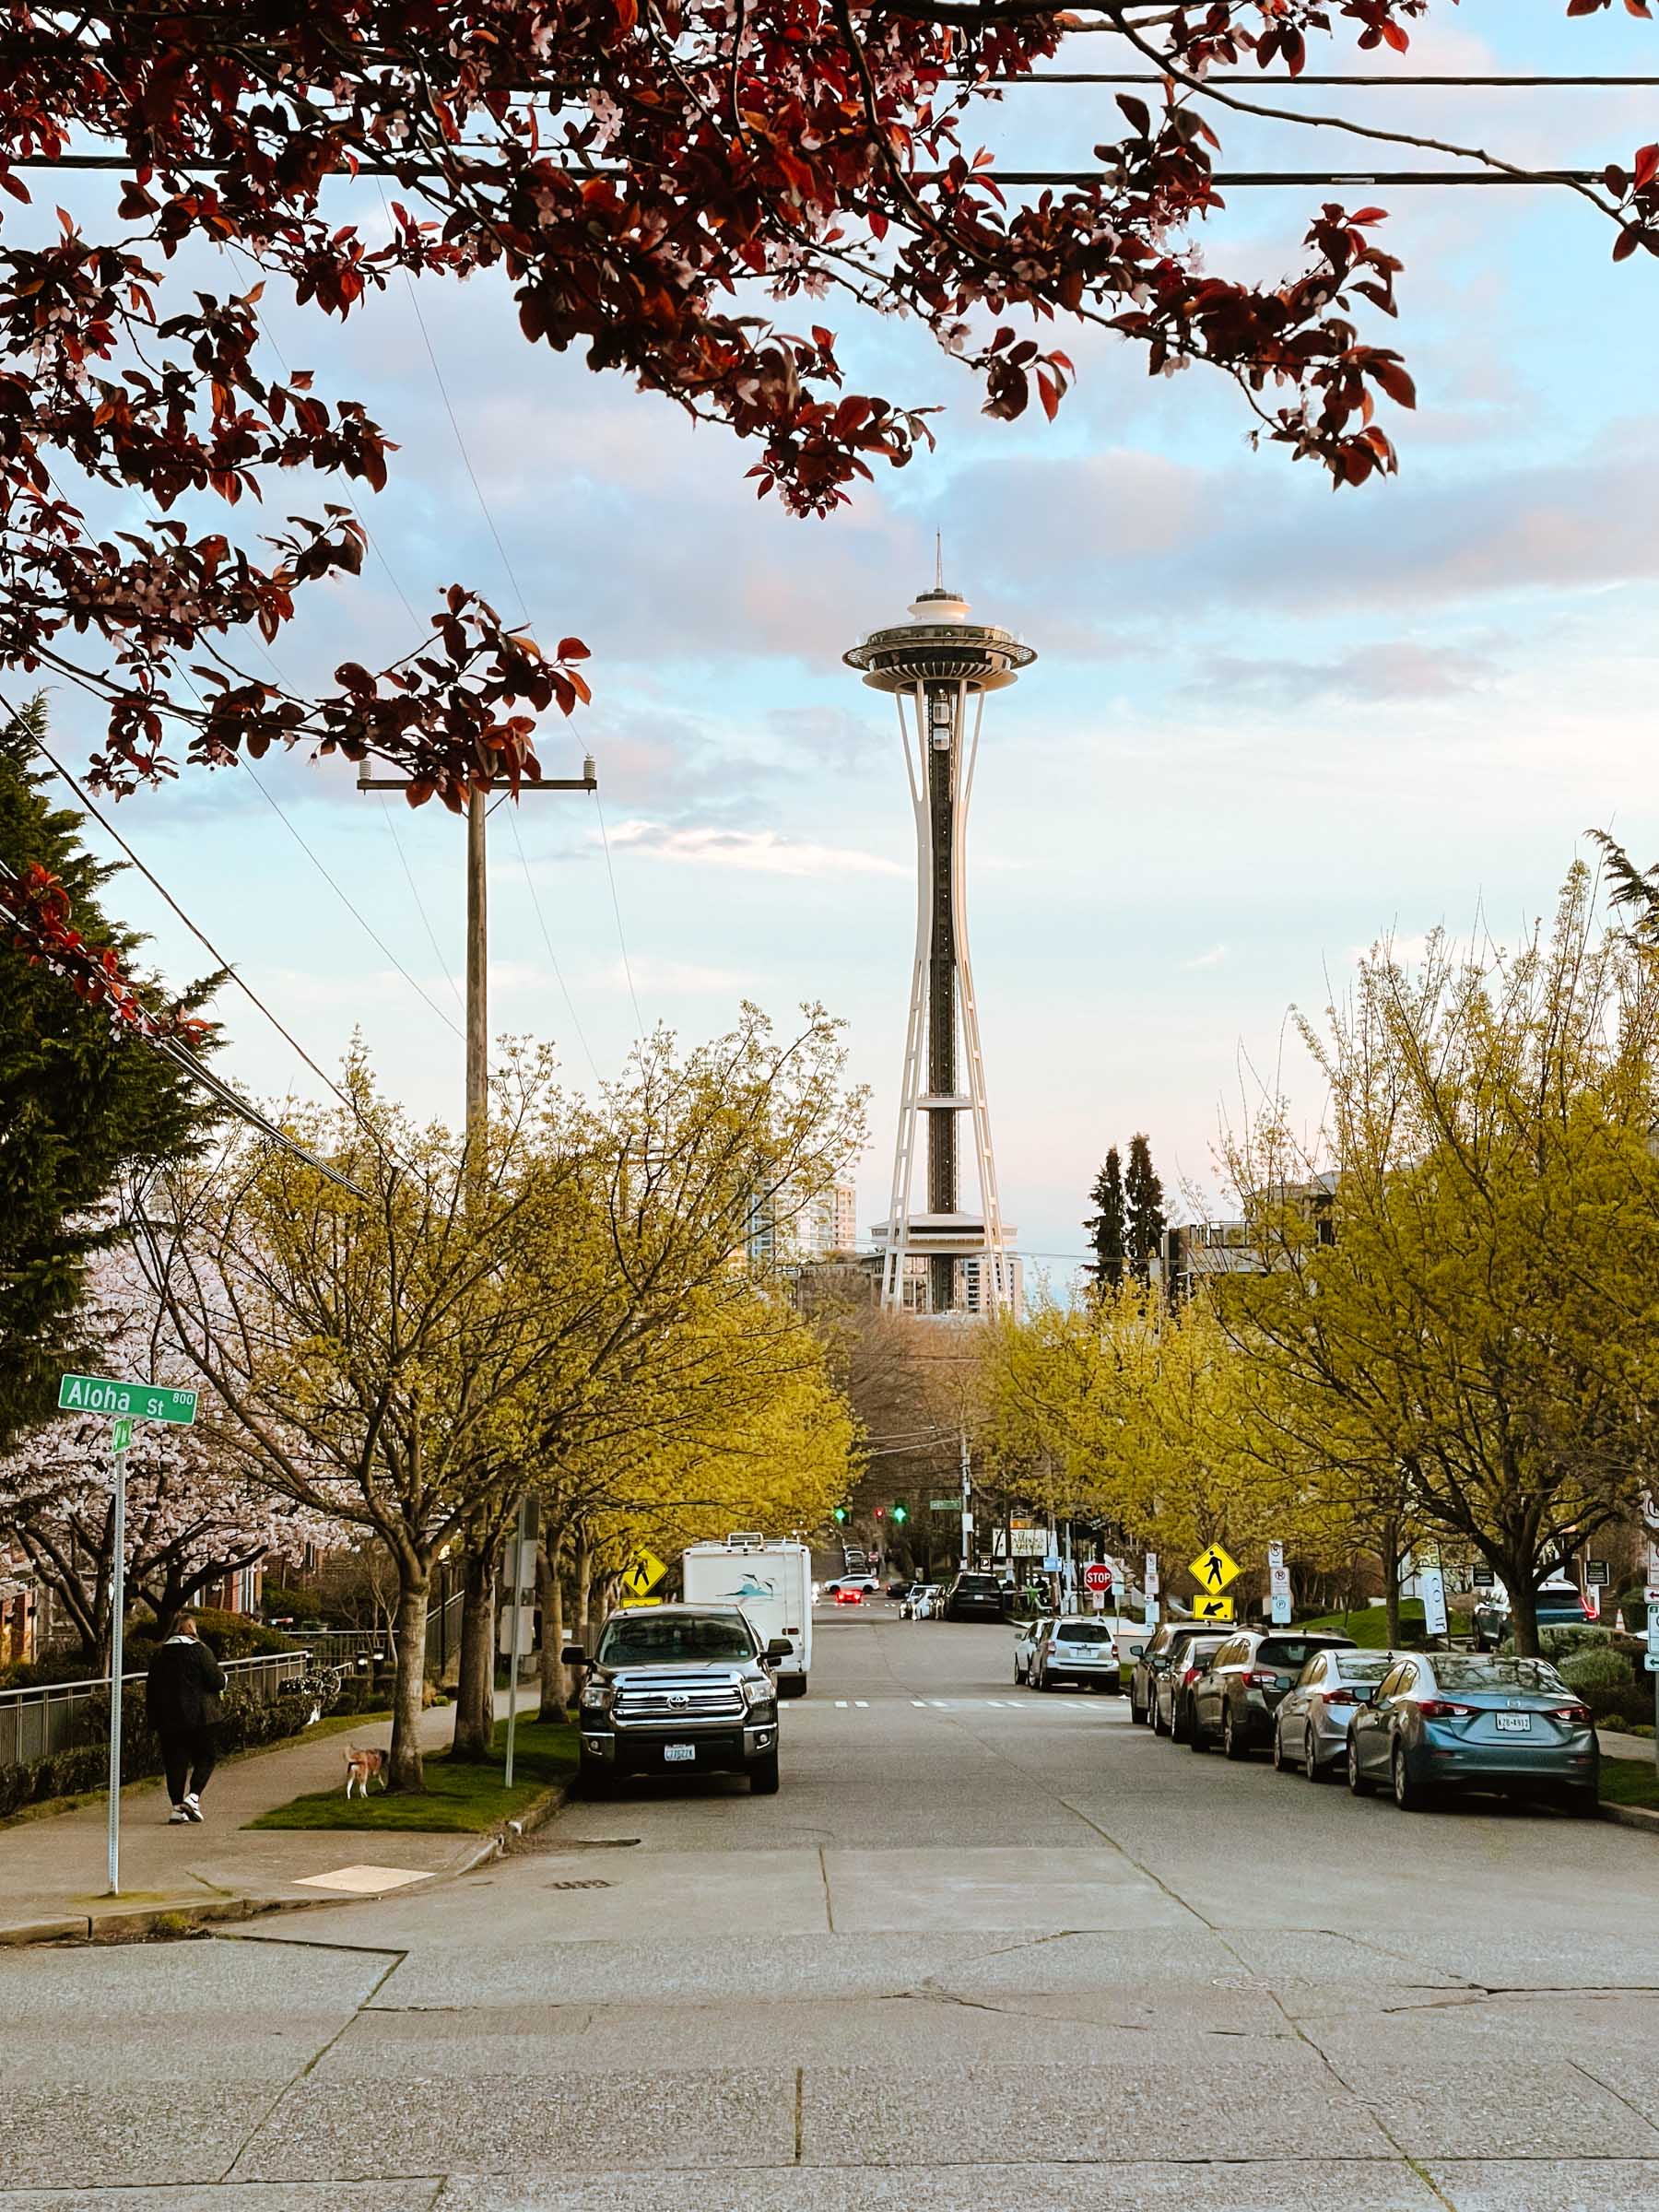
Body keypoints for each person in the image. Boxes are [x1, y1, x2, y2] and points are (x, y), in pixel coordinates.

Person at [145, 1614, 226, 1824]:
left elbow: (151, 1687)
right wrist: (224, 1679)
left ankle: (177, 1807)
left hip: (169, 1717)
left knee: (175, 1762)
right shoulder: (200, 1650)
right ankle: (194, 1796)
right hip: (202, 1716)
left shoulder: (160, 1653)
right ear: (191, 1629)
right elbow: (216, 1681)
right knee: (207, 1757)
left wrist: (152, 1717)